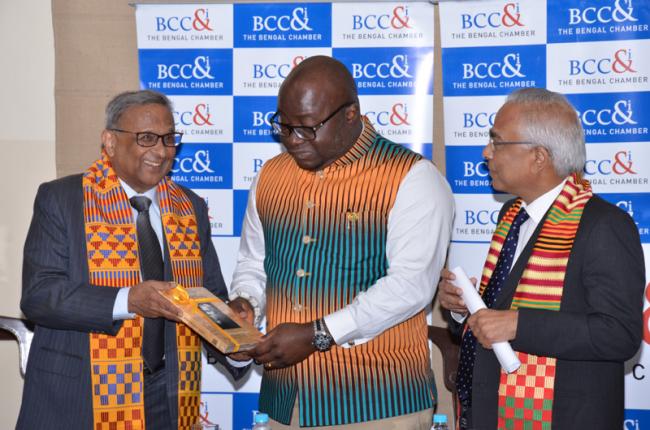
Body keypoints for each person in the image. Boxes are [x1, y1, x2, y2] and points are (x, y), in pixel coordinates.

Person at [227, 55, 454, 429]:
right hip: (285, 401)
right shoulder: (269, 175)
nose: (292, 139)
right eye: (284, 126)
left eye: (307, 128)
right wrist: (245, 304)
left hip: (377, 404)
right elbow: (254, 263)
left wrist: (318, 334)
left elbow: (410, 286)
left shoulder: (412, 178)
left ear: (351, 114)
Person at [18, 90, 248, 430]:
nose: (162, 151)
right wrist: (128, 300)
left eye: (169, 138)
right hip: (80, 396)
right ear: (110, 142)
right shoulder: (62, 200)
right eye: (146, 138)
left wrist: (236, 346)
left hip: (167, 396)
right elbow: (40, 295)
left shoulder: (190, 207)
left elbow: (208, 300)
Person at [438, 88, 645, 429]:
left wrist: (518, 324)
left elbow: (619, 334)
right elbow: (499, 314)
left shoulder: (603, 225)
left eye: (497, 142)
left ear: (538, 157)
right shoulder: (511, 216)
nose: (486, 152)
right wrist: (465, 309)